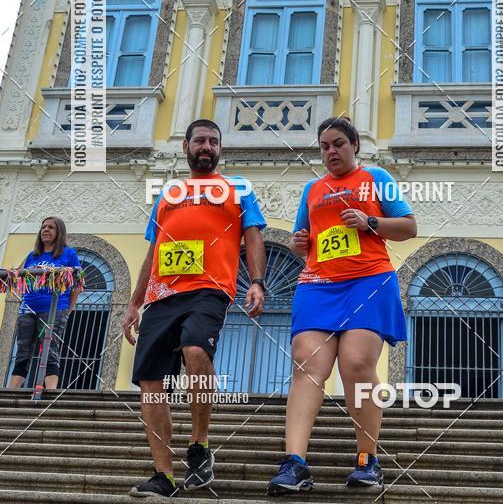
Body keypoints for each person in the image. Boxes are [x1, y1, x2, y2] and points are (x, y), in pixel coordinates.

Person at [268, 116, 417, 496]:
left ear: (355, 146)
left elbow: (409, 228)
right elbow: (302, 240)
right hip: (318, 284)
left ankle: (367, 459)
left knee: (355, 363)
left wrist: (370, 221)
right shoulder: (313, 189)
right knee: (307, 364)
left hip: (368, 281)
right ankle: (295, 463)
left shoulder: (376, 178)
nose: (330, 151)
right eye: (324, 146)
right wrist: (299, 244)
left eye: (338, 143)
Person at [124, 118, 267, 499]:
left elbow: (253, 236)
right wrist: (134, 302)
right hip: (161, 294)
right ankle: (164, 474)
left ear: (220, 149)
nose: (207, 147)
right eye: (200, 140)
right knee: (151, 385)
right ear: (186, 144)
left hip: (209, 288)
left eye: (214, 142)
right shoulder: (168, 194)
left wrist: (256, 281)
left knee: (195, 349)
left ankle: (199, 446)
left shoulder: (237, 189)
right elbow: (153, 251)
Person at [8, 216, 81, 390]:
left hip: (55, 309)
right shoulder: (32, 256)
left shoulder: (68, 253)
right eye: (43, 227)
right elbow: (25, 281)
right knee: (22, 352)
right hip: (28, 309)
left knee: (50, 351)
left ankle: (50, 394)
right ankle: (9, 393)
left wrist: (68, 310)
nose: (45, 230)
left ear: (59, 232)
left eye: (51, 227)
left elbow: (77, 285)